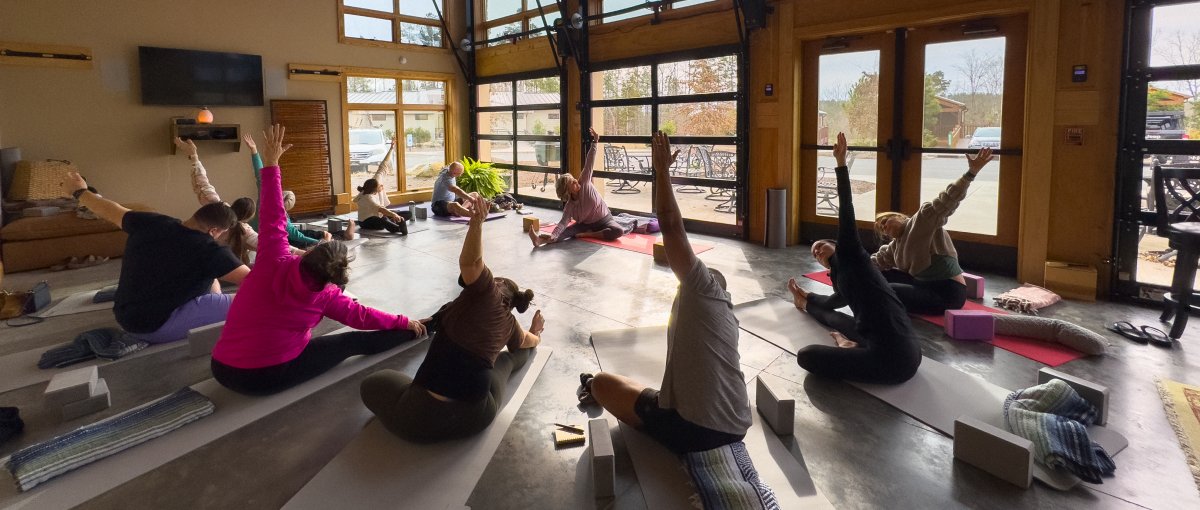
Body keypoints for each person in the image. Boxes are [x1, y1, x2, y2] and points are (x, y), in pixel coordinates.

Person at [211, 125, 424, 396]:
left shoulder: (272, 258)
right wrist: (402, 321)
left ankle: (414, 327)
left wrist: (272, 163)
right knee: (350, 343)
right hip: (264, 378)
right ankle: (418, 330)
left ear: (309, 253)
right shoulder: (327, 296)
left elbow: (272, 211)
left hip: (220, 367)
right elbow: (362, 317)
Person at [578, 131, 750, 454]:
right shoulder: (725, 315)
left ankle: (590, 385)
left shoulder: (700, 287)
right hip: (739, 424)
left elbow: (670, 226)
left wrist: (662, 173)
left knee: (601, 382)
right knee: (649, 389)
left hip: (695, 432)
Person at [359, 193, 543, 442]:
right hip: (476, 419)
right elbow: (526, 340)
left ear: (498, 286)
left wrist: (477, 223)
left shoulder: (488, 291)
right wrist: (537, 334)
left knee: (374, 382)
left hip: (416, 421)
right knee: (506, 362)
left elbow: (471, 263)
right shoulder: (509, 324)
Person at [787, 133, 922, 385]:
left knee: (806, 356)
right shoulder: (840, 279)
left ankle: (847, 345)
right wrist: (806, 297)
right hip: (907, 350)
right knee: (836, 319)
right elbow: (831, 304)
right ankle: (809, 311)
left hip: (893, 360)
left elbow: (846, 208)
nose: (817, 252)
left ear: (835, 244)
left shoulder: (852, 253)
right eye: (814, 254)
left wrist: (840, 164)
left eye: (820, 246)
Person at [59, 172, 250, 344]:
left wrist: (80, 192)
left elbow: (108, 209)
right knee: (250, 302)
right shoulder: (210, 251)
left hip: (126, 316)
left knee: (212, 278)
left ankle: (204, 313)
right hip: (154, 328)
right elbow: (260, 284)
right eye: (222, 234)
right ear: (214, 230)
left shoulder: (152, 221)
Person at [857, 146, 995, 315]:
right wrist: (842, 267)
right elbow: (875, 262)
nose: (885, 228)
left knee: (886, 290)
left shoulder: (923, 219)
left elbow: (947, 200)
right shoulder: (894, 247)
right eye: (882, 230)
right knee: (875, 278)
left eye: (885, 222)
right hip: (921, 286)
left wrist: (971, 173)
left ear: (899, 217)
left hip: (947, 293)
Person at [241, 134, 355, 248]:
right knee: (312, 236)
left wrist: (254, 151)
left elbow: (260, 175)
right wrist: (322, 242)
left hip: (271, 239)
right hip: (282, 242)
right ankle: (340, 237)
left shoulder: (262, 204)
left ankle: (338, 236)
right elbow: (299, 237)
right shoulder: (283, 220)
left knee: (311, 234)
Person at [528, 128, 627, 248]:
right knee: (565, 232)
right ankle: (539, 241)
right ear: (568, 191)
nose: (576, 180)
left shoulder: (584, 182)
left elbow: (589, 162)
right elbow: (563, 223)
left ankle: (589, 235)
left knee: (618, 231)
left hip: (604, 220)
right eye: (572, 182)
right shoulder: (569, 206)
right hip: (585, 225)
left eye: (573, 179)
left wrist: (595, 141)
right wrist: (554, 235)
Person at [175, 137, 264, 263]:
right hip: (224, 270)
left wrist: (194, 156)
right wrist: (298, 253)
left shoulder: (219, 209)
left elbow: (203, 184)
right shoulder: (246, 232)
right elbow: (270, 246)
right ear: (248, 217)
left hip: (202, 263)